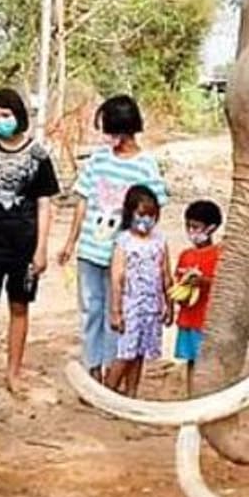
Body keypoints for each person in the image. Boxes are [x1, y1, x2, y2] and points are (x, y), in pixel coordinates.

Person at [58, 95, 168, 383]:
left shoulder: (146, 166)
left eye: (109, 130)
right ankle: (92, 366)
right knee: (91, 309)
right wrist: (71, 242)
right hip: (91, 250)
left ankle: (111, 368)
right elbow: (83, 200)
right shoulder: (98, 159)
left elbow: (156, 210)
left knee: (117, 311)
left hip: (123, 256)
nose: (106, 137)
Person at [0, 88, 60, 394]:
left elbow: (45, 204)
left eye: (6, 115)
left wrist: (42, 248)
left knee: (19, 307)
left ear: (19, 115)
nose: (1, 121)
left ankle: (13, 373)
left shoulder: (38, 155)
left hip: (25, 243)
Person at [105, 185, 172, 397]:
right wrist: (116, 310)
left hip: (152, 306)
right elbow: (117, 277)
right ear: (131, 212)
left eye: (151, 215)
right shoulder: (123, 241)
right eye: (141, 214)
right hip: (130, 304)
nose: (146, 220)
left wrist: (169, 305)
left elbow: (166, 274)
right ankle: (108, 391)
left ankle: (131, 392)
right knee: (126, 351)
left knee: (141, 351)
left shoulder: (160, 241)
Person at [171, 200, 223, 388]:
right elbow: (178, 286)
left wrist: (203, 282)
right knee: (192, 361)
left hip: (208, 321)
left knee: (209, 363)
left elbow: (224, 285)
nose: (192, 231)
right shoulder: (186, 255)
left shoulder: (220, 254)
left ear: (211, 228)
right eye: (188, 226)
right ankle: (192, 394)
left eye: (196, 227)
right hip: (189, 319)